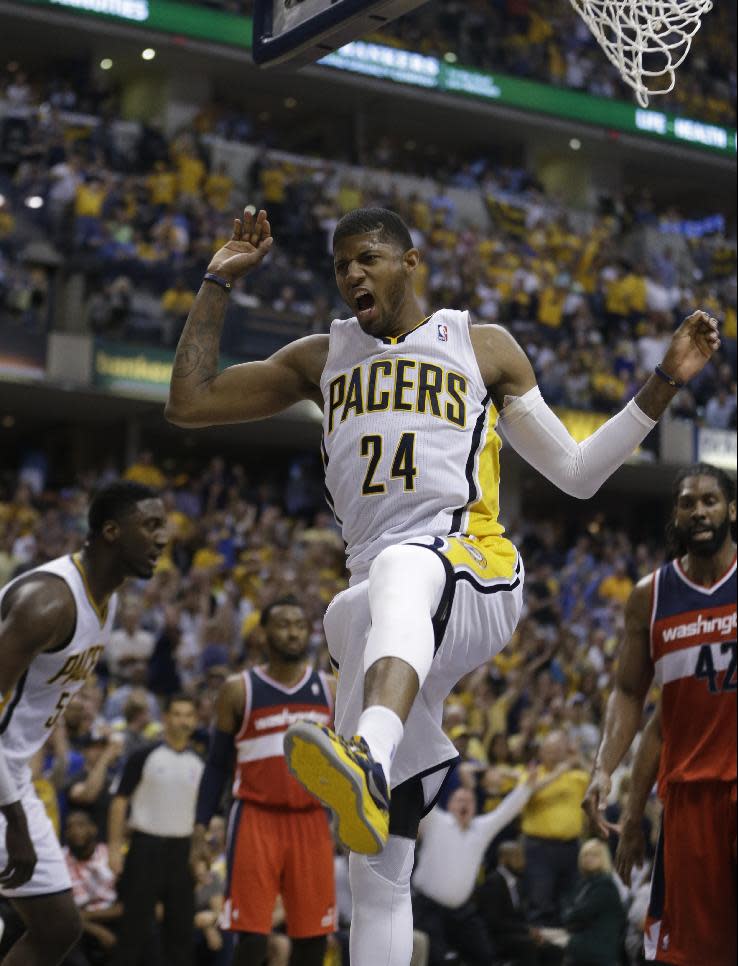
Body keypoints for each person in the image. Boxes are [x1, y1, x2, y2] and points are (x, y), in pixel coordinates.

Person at [165, 206, 720, 966]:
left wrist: (664, 379)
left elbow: (580, 474)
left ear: (410, 261)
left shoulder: (480, 345)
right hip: (384, 607)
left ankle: (366, 752)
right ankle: (374, 767)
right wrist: (217, 282)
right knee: (379, 863)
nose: (352, 274)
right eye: (340, 266)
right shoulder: (320, 358)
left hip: (476, 570)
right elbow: (188, 401)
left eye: (367, 258)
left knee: (402, 565)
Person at [0, 480, 166, 966]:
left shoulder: (105, 599)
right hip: (5, 786)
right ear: (111, 531)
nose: (162, 538)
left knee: (58, 927)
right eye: (150, 525)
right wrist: (13, 821)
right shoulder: (47, 603)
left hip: (13, 777)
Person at [584, 463, 736, 966]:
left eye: (710, 500)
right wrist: (606, 771)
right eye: (688, 502)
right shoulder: (650, 597)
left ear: (731, 510)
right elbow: (634, 698)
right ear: (675, 514)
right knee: (689, 955)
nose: (699, 510)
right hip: (690, 801)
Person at [191, 597, 335, 966]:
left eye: (300, 625)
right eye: (284, 624)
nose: (293, 632)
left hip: (311, 817)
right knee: (251, 937)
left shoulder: (331, 689)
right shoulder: (239, 689)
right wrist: (200, 828)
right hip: (255, 817)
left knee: (314, 937)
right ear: (262, 634)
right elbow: (217, 766)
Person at [108, 694, 203, 966]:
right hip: (145, 847)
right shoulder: (144, 756)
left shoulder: (200, 763)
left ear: (195, 720)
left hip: (182, 851)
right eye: (177, 713)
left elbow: (200, 816)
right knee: (133, 929)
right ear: (165, 718)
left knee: (181, 932)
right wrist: (115, 849)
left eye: (188, 714)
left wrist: (199, 856)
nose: (182, 720)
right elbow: (119, 801)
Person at [412, 779, 535, 966]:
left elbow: (506, 811)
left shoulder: (481, 829)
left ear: (475, 807)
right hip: (428, 908)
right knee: (438, 959)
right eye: (460, 800)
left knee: (484, 955)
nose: (464, 804)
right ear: (451, 805)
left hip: (462, 911)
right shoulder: (437, 821)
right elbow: (420, 795)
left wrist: (526, 786)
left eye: (469, 801)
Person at [61, 810, 122, 966]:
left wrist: (85, 917)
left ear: (94, 829)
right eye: (69, 827)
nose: (75, 831)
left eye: (81, 825)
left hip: (110, 919)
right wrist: (96, 930)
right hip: (75, 928)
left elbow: (125, 907)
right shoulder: (59, 860)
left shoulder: (112, 856)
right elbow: (60, 913)